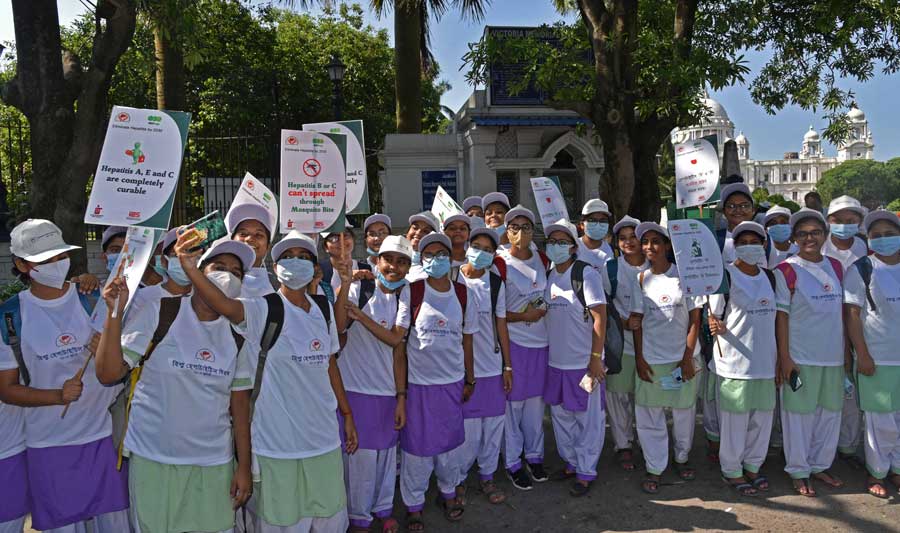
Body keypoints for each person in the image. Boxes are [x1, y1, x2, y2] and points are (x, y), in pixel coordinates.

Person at [176, 230, 357, 532]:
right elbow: (223, 304)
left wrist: (347, 413)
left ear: (315, 269)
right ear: (275, 269)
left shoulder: (322, 308)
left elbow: (330, 362)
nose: (294, 263)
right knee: (282, 524)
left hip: (323, 442)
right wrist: (190, 268)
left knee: (330, 520)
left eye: (303, 258)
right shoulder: (263, 308)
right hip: (276, 447)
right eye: (287, 257)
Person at [95, 238, 256, 533]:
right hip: (153, 459)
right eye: (218, 267)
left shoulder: (238, 333)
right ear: (198, 271)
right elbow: (108, 374)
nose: (227, 276)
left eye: (236, 272)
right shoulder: (160, 312)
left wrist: (244, 466)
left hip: (213, 463)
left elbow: (241, 407)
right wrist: (113, 312)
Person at [0, 219, 129, 533]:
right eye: (46, 259)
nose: (57, 264)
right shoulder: (9, 316)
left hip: (104, 438)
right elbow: (7, 389)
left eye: (60, 255)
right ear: (21, 264)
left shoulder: (92, 296)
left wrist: (107, 346)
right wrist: (56, 396)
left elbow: (122, 362)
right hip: (49, 445)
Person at [334, 235, 412, 533]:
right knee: (359, 462)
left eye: (402, 261)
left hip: (388, 392)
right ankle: (358, 518)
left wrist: (401, 397)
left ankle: (382, 509)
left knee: (385, 458)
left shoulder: (404, 294)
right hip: (355, 390)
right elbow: (340, 324)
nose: (394, 267)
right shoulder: (358, 287)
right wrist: (344, 283)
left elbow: (396, 342)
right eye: (388, 259)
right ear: (377, 260)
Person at [399, 232, 477, 531]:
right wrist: (402, 390)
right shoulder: (412, 291)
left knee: (449, 446)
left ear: (450, 257)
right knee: (416, 449)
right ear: (421, 259)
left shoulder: (462, 293)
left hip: (452, 383)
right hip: (419, 386)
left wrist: (470, 378)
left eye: (441, 254)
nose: (436, 259)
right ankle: (414, 505)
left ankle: (448, 492)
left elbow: (467, 340)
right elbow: (400, 340)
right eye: (429, 254)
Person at [774, 208, 846, 497]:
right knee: (798, 416)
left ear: (825, 235)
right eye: (802, 234)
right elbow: (782, 317)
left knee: (830, 414)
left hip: (833, 356)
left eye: (815, 232)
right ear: (794, 238)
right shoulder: (786, 270)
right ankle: (799, 470)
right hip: (800, 357)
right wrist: (785, 357)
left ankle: (819, 465)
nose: (809, 238)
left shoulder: (837, 267)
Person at [629, 222, 703, 494]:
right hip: (651, 358)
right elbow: (637, 322)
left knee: (684, 413)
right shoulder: (640, 278)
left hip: (680, 359)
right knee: (649, 416)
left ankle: (681, 458)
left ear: (668, 245)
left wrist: (686, 357)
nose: (649, 247)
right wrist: (639, 357)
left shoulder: (684, 277)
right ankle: (655, 466)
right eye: (645, 242)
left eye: (655, 241)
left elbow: (695, 320)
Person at [708, 222, 778, 496]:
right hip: (734, 364)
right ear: (735, 246)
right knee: (734, 422)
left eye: (755, 240)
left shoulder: (772, 278)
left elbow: (780, 318)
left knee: (761, 420)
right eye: (743, 240)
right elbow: (714, 316)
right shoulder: (724, 276)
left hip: (765, 362)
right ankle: (732, 470)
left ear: (763, 244)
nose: (749, 245)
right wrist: (715, 324)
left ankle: (753, 466)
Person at [543, 219, 607, 497]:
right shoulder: (550, 274)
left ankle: (586, 470)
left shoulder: (585, 274)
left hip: (583, 363)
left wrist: (595, 358)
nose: (555, 246)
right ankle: (571, 461)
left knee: (588, 419)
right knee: (561, 416)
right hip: (556, 363)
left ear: (572, 247)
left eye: (561, 241)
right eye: (551, 241)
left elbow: (600, 316)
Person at [453, 227, 512, 505]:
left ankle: (487, 476)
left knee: (493, 428)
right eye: (477, 246)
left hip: (491, 367)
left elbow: (501, 324)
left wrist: (508, 367)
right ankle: (459, 479)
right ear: (467, 246)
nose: (481, 253)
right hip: (461, 371)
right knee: (468, 432)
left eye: (488, 250)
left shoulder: (496, 282)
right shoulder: (451, 278)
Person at [843, 210, 900, 498]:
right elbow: (852, 314)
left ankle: (898, 469)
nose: (883, 240)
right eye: (876, 236)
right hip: (877, 358)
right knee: (880, 421)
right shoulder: (861, 269)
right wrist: (861, 354)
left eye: (890, 234)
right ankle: (876, 471)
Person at [499, 205, 550, 490]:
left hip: (540, 343)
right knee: (513, 406)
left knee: (534, 406)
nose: (520, 232)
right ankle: (513, 462)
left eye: (526, 227)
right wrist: (524, 317)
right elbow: (495, 313)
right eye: (514, 227)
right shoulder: (499, 261)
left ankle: (535, 456)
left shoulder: (542, 258)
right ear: (507, 231)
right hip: (514, 343)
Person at [823, 195, 868, 466]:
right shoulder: (819, 246)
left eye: (851, 220)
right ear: (830, 221)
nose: (845, 224)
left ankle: (848, 446)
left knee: (855, 386)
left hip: (860, 321)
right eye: (839, 220)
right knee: (833, 383)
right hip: (827, 324)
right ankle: (826, 444)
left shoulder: (864, 246)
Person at [604, 215, 648, 472]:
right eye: (623, 238)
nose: (629, 242)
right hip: (621, 345)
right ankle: (623, 446)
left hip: (651, 346)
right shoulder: (611, 269)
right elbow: (603, 305)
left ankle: (648, 442)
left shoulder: (658, 266)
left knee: (644, 398)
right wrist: (622, 323)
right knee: (618, 396)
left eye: (634, 237)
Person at [227, 203, 277, 297]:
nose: (250, 239)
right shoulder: (214, 277)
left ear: (268, 246)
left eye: (258, 235)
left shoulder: (275, 289)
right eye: (243, 234)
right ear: (232, 240)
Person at [405, 212, 439, 282]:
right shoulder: (390, 256)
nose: (418, 233)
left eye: (426, 231)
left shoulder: (434, 269)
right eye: (415, 227)